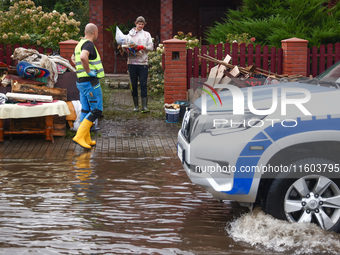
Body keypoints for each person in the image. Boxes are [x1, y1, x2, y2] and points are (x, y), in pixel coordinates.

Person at [71, 23, 105, 149]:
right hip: (90, 82)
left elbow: (74, 58)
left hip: (81, 82)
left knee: (86, 109)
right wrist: (89, 71)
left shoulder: (79, 43)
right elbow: (83, 57)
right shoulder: (89, 44)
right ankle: (79, 136)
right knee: (97, 110)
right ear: (95, 32)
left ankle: (86, 138)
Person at [127, 16, 153, 113]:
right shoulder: (130, 34)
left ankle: (144, 107)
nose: (141, 26)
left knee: (143, 84)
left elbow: (151, 47)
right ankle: (136, 106)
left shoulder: (147, 35)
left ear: (144, 24)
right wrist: (129, 48)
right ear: (136, 23)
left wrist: (142, 47)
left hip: (143, 63)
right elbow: (125, 44)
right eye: (139, 24)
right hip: (132, 63)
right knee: (133, 84)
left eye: (142, 24)